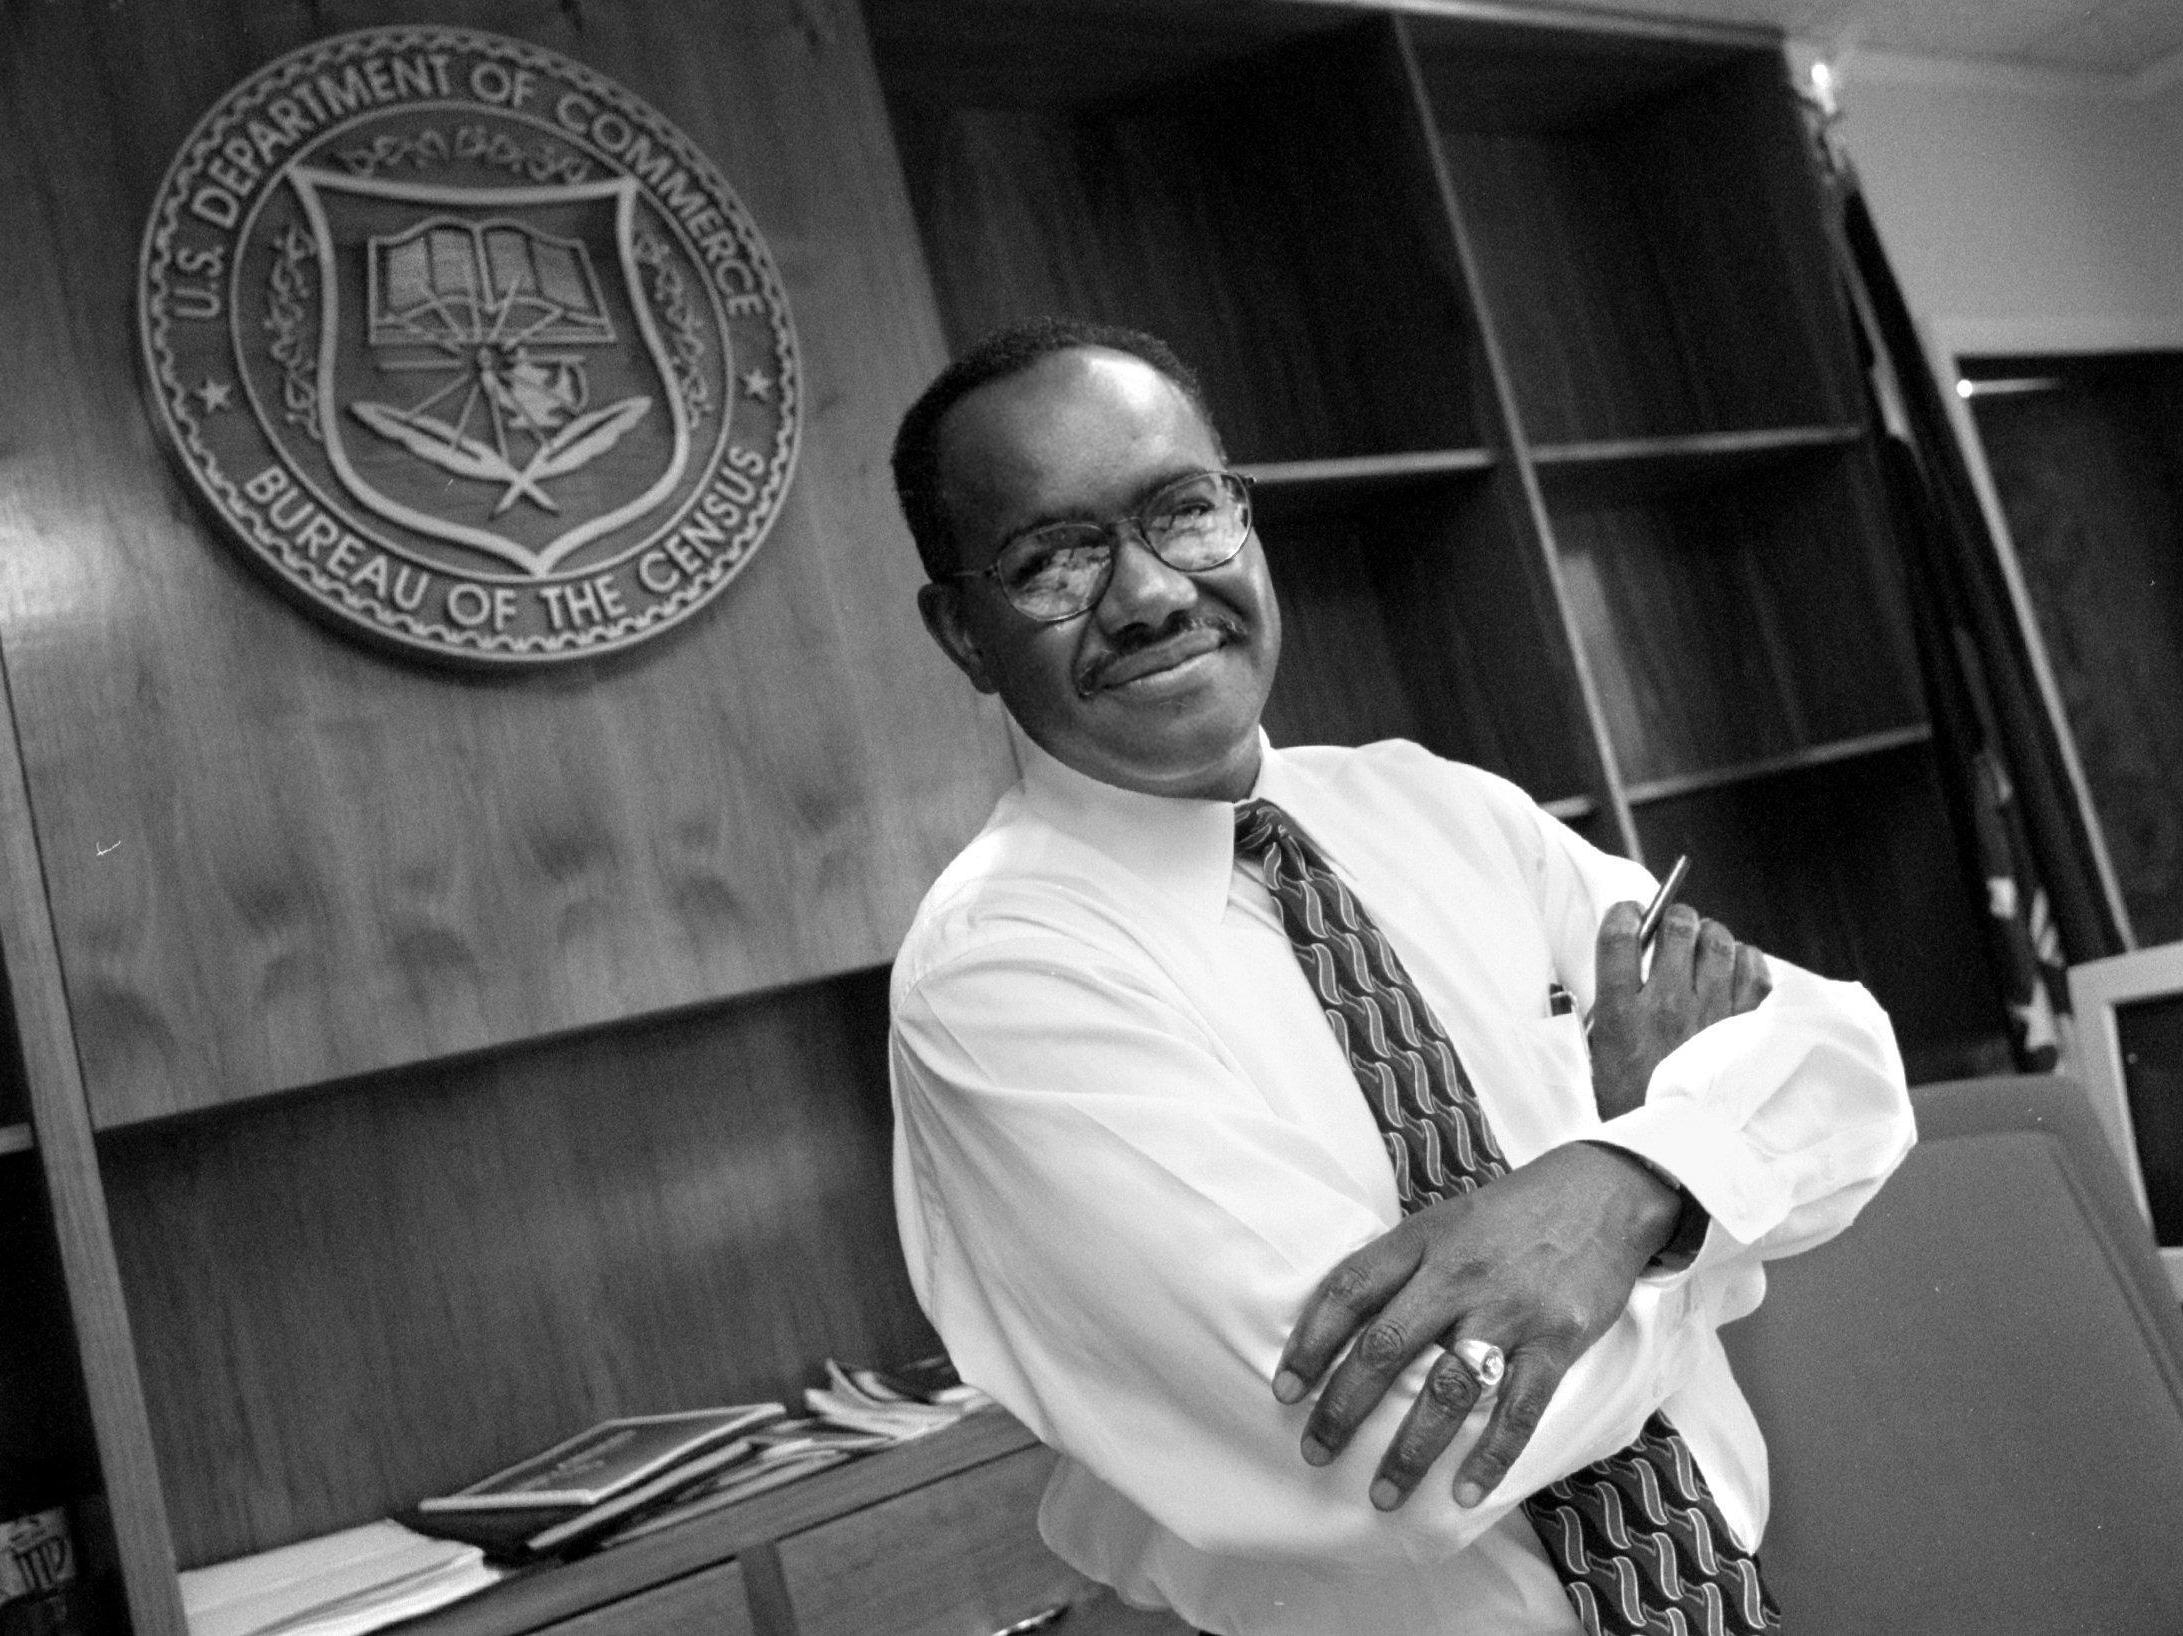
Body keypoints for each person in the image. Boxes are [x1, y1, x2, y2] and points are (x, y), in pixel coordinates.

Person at [885, 317, 1913, 1636]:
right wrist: (1696, 1214)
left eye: (1182, 513)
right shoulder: (1001, 982)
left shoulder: (1437, 810)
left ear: (1244, 523)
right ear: (963, 634)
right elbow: (1410, 1447)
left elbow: (1849, 1071)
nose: (1148, 593)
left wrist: (1625, 1183)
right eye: (1052, 560)